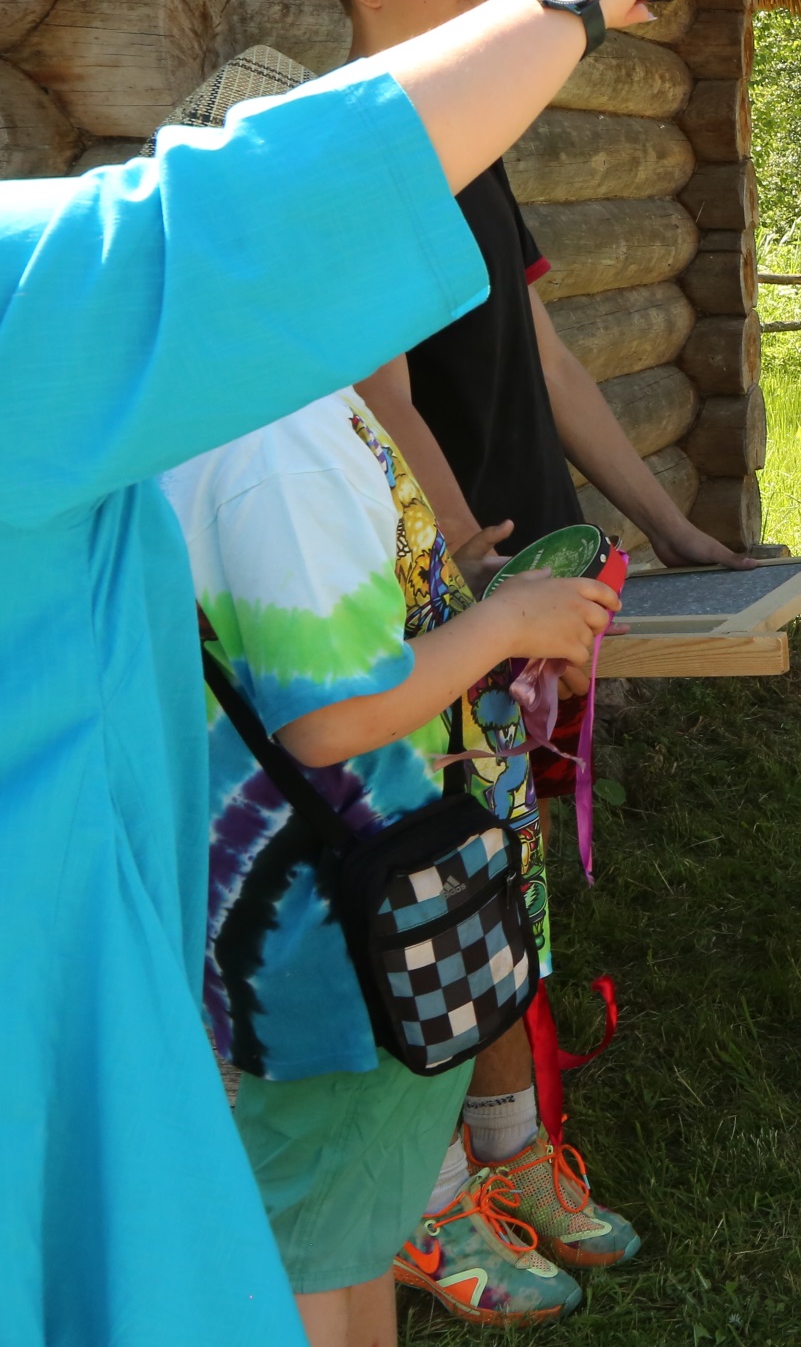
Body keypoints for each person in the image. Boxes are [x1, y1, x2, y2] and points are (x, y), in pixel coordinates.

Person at [0, 0, 704, 1344]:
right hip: (222, 946)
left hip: (184, 948)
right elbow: (326, 715)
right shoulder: (266, 438)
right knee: (316, 1240)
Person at [296, 0, 685, 1296]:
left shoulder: (471, 127)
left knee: (502, 877)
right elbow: (378, 384)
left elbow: (546, 356)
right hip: (422, 589)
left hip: (507, 577)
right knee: (423, 881)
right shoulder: (347, 145)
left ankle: (515, 1154)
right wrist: (467, 557)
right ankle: (424, 1197)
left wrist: (668, 524)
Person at [163, 392, 619, 1340]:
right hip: (339, 927)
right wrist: (507, 625)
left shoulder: (294, 416)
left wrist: (493, 619)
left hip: (349, 902)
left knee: (348, 1238)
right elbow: (329, 717)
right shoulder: (279, 447)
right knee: (305, 1259)